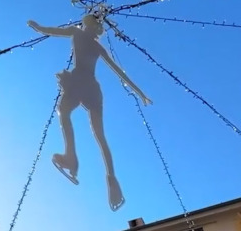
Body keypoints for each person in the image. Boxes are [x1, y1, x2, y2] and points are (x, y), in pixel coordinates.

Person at [27, 13, 152, 211]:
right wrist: (140, 93)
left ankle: (76, 161)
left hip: (81, 84)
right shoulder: (92, 43)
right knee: (93, 132)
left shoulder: (77, 34)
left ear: (88, 25)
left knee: (71, 117)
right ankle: (85, 165)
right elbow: (119, 72)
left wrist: (38, 27)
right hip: (89, 87)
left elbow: (54, 31)